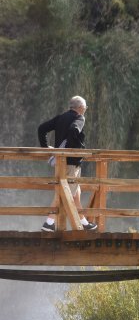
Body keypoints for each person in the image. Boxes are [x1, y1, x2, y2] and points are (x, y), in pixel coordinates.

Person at [38, 96, 97, 232]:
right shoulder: (80, 118)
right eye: (85, 107)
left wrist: (46, 147)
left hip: (60, 161)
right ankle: (48, 223)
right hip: (71, 163)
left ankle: (83, 222)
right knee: (65, 193)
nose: (86, 110)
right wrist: (75, 148)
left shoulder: (61, 117)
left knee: (76, 192)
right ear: (81, 108)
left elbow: (41, 128)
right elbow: (73, 130)